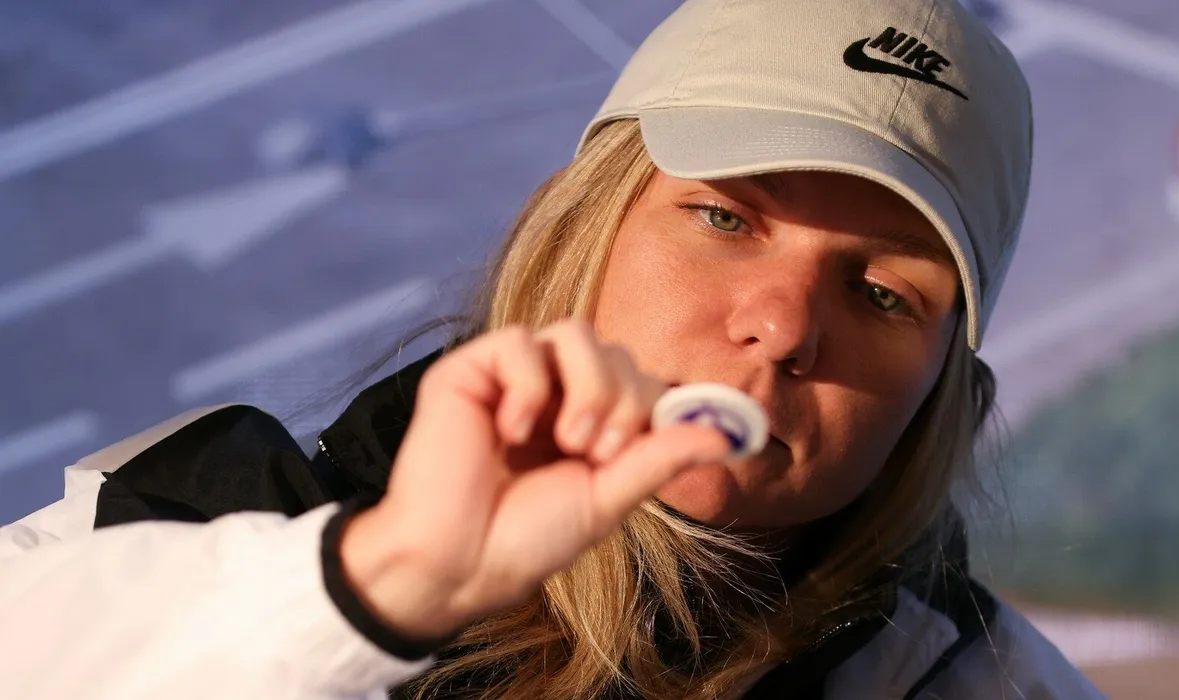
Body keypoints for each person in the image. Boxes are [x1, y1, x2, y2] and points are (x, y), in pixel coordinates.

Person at [0, 0, 1104, 698]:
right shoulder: (189, 527)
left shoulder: (994, 685)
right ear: (575, 226)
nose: (780, 327)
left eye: (881, 293)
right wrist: (372, 586)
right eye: (724, 217)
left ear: (941, 387)